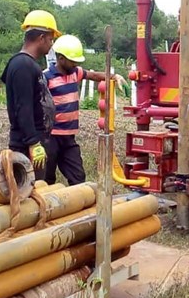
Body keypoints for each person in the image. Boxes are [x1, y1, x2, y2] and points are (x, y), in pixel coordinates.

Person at [43, 34, 127, 185]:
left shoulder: (75, 72)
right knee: (46, 178)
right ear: (61, 58)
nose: (75, 64)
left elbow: (93, 75)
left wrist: (114, 76)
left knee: (78, 177)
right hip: (50, 137)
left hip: (69, 138)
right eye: (72, 61)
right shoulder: (46, 77)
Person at [0, 9, 61, 179]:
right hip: (26, 147)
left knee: (38, 190)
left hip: (35, 143)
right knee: (28, 196)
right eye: (50, 39)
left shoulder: (27, 65)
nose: (51, 45)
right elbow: (22, 107)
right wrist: (33, 143)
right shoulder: (22, 65)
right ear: (41, 38)